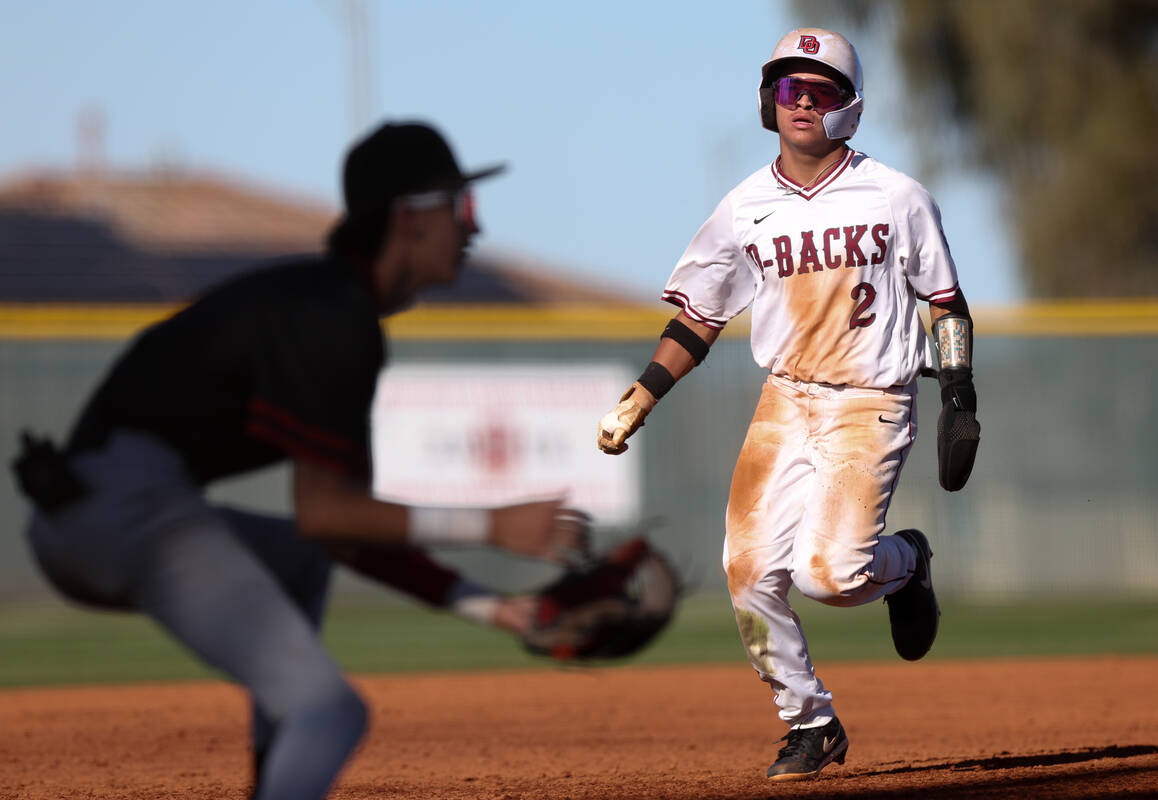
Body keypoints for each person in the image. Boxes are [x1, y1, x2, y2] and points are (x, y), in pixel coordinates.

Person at [12, 121, 589, 800]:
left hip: (94, 509)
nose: (473, 229)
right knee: (332, 711)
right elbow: (326, 512)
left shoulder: (329, 308)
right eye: (460, 206)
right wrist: (491, 526)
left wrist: (493, 608)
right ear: (409, 217)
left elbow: (340, 532)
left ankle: (270, 768)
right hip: (122, 508)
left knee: (300, 565)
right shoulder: (331, 316)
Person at [597, 28, 980, 781]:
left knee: (830, 578)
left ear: (851, 108)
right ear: (769, 103)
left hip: (870, 401)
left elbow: (946, 302)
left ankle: (906, 565)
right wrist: (644, 391)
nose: (803, 99)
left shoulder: (897, 197)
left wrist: (959, 392)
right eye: (787, 87)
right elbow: (699, 316)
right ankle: (810, 722)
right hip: (785, 401)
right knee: (747, 571)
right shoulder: (744, 208)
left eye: (822, 88)